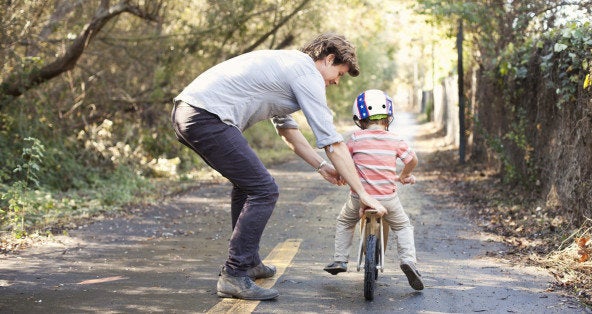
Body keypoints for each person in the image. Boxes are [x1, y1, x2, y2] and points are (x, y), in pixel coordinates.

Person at [170, 33, 387, 300]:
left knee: (248, 185)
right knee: (264, 190)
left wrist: (322, 167)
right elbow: (332, 142)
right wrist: (363, 192)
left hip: (191, 112)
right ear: (329, 59)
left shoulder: (288, 68)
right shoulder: (306, 73)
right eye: (339, 74)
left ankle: (247, 263)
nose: (336, 82)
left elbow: (288, 131)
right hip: (205, 116)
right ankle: (234, 274)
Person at [323, 89, 424, 291]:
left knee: (345, 221)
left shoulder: (354, 139)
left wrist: (342, 175)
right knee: (403, 226)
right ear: (388, 118)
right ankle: (408, 261)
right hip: (387, 198)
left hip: (359, 198)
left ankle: (340, 260)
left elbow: (344, 161)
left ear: (360, 119)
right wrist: (404, 175)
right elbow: (412, 159)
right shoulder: (395, 139)